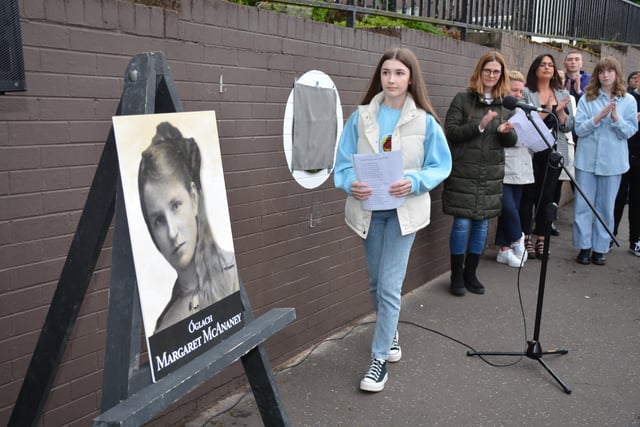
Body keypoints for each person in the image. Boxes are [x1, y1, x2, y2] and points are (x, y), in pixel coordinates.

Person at [334, 48, 451, 393]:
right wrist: (349, 184)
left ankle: (379, 360)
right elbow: (342, 165)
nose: (391, 79)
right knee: (375, 283)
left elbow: (440, 165)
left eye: (399, 73)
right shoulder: (360, 117)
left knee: (388, 287)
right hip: (369, 212)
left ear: (411, 77)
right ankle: (392, 332)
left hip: (404, 215)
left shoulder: (425, 121)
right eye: (386, 72)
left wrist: (414, 182)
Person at [139, 121, 239, 333]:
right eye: (158, 220)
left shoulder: (233, 275)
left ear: (193, 198)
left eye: (175, 206)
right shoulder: (164, 325)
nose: (172, 233)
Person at [442, 51, 517, 295]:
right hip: (464, 171)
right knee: (462, 223)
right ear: (480, 72)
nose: (492, 75)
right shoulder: (463, 99)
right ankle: (456, 276)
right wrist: (480, 126)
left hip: (490, 174)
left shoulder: (505, 103)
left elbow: (511, 140)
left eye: (496, 72)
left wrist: (506, 131)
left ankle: (471, 274)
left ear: (501, 75)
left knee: (482, 225)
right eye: (488, 71)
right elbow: (451, 132)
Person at [573, 56, 638, 265]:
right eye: (601, 72)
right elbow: (579, 129)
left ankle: (600, 248)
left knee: (606, 206)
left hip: (613, 162)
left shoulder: (628, 100)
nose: (605, 75)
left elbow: (629, 132)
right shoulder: (587, 98)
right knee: (583, 205)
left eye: (609, 71)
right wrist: (598, 117)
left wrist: (617, 120)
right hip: (586, 160)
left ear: (617, 74)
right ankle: (584, 247)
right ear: (597, 75)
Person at [519, 54, 574, 259]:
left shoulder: (561, 93)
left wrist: (559, 113)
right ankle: (526, 239)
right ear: (535, 68)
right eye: (543, 64)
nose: (547, 68)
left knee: (547, 197)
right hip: (531, 152)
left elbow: (568, 125)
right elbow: (525, 122)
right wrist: (550, 111)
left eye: (551, 65)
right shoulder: (526, 93)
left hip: (553, 154)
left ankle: (542, 238)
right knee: (528, 196)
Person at [494, 70, 534, 268]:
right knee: (508, 208)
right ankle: (518, 240)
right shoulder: (499, 108)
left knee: (513, 209)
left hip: (521, 166)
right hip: (504, 165)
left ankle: (504, 249)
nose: (518, 95)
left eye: (521, 91)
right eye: (514, 90)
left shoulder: (523, 110)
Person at [612, 69, 640, 256]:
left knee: (637, 201)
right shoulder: (629, 99)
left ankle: (635, 239)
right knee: (617, 198)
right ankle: (609, 235)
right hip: (623, 153)